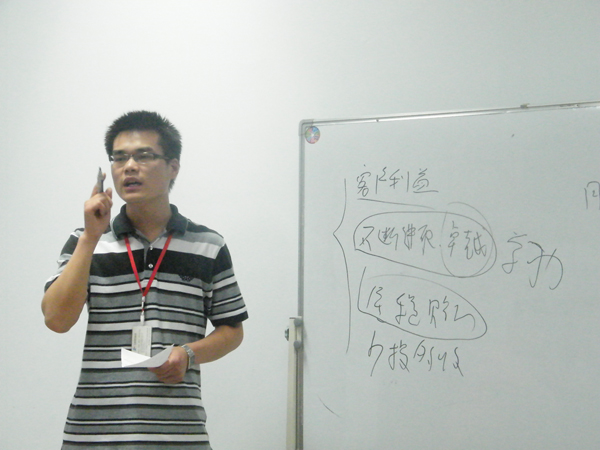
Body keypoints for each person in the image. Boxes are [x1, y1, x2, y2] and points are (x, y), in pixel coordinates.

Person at [42, 111, 248, 449]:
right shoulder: (86, 241)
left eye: (144, 155)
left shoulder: (207, 245)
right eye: (119, 158)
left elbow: (232, 330)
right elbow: (56, 319)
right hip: (93, 435)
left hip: (179, 435)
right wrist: (91, 237)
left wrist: (188, 354)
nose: (129, 167)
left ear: (173, 167)